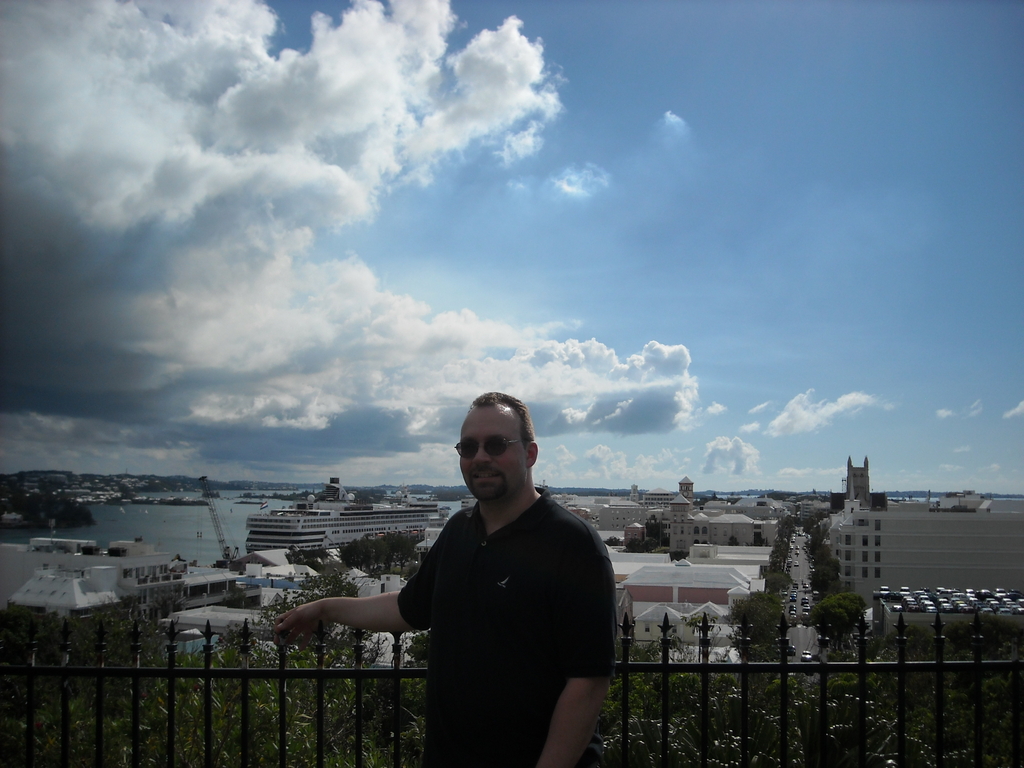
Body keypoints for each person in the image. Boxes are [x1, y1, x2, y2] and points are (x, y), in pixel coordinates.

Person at [275, 392, 617, 768]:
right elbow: (408, 608)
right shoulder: (458, 532)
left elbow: (587, 683)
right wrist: (325, 607)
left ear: (530, 454)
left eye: (496, 444)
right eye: (468, 447)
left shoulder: (573, 544)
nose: (480, 457)